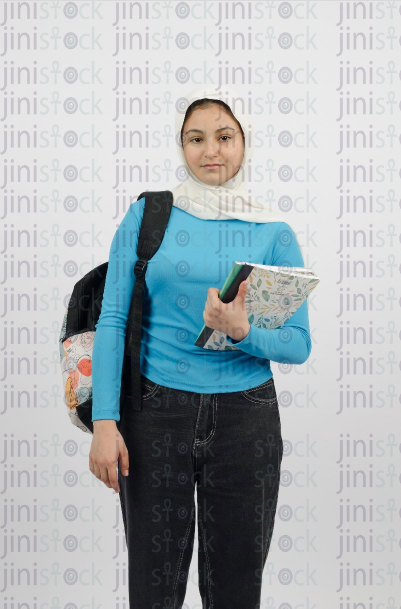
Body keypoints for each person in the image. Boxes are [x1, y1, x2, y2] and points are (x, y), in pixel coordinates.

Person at [89, 85, 312, 608]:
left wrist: (241, 330)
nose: (211, 150)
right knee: (154, 586)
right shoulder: (148, 216)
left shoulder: (273, 231)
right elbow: (113, 319)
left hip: (246, 419)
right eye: (196, 138)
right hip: (153, 415)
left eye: (224, 136)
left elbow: (298, 344)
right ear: (181, 146)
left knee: (235, 588)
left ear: (244, 142)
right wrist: (104, 423)